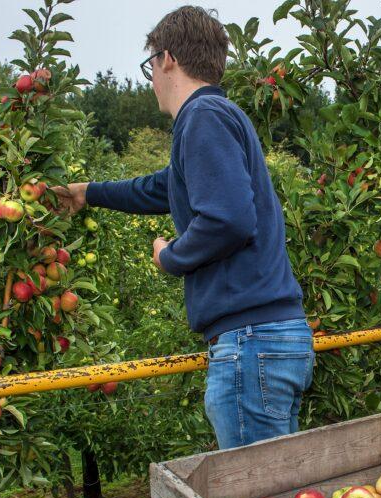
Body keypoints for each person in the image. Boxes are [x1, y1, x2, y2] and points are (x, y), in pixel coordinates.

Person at [54, 6, 313, 450]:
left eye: (149, 64)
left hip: (250, 345)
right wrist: (89, 192)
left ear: (167, 58)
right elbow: (164, 187)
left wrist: (170, 257)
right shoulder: (218, 115)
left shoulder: (202, 117)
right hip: (269, 338)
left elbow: (229, 219)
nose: (150, 77)